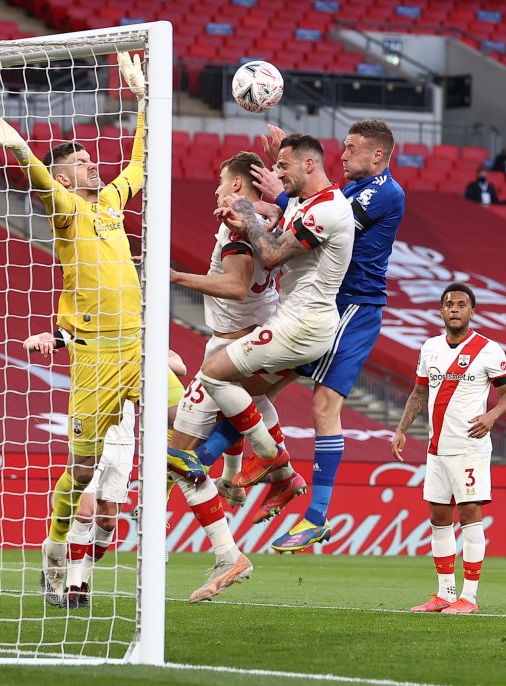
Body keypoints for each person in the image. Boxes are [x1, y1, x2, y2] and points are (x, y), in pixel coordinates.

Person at [0, 52, 147, 606]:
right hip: (95, 355)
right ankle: (55, 554)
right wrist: (22, 148)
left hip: (138, 346)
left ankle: (240, 481)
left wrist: (145, 99)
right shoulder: (67, 211)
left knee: (192, 404)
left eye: (93, 159)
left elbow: (140, 166)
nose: (94, 167)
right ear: (64, 173)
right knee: (79, 472)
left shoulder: (112, 205)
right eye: (80, 161)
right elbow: (42, 183)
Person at [246, 120, 406, 552]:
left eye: (351, 148)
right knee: (259, 384)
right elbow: (313, 204)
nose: (344, 154)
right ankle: (266, 472)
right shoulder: (346, 188)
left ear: (377, 155)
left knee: (323, 404)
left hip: (353, 306)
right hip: (320, 304)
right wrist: (290, 170)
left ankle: (316, 516)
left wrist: (281, 193)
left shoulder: (384, 192)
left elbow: (329, 224)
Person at [168, 151, 302, 599]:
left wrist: (175, 277)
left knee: (177, 457)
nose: (216, 189)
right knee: (234, 417)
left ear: (240, 187)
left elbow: (235, 285)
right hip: (256, 338)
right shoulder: (272, 219)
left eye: (222, 182)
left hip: (235, 345)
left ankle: (230, 548)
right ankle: (272, 479)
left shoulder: (238, 228)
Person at [195, 134, 354, 506]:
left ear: (310, 165)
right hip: (296, 322)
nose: (277, 176)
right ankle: (277, 476)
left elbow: (269, 255)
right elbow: (283, 221)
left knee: (212, 372)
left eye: (283, 167)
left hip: (301, 327)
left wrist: (249, 213)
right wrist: (263, 212)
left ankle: (270, 458)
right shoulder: (306, 202)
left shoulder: (326, 209)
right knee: (247, 394)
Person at [23, 330, 188, 608]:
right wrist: (39, 342)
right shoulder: (82, 333)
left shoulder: (138, 341)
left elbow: (180, 366)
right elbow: (44, 340)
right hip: (90, 432)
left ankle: (82, 580)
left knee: (108, 520)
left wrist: (147, 359)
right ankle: (73, 586)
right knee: (84, 512)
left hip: (123, 440)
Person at [390, 282, 506, 615]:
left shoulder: (489, 350)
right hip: (436, 450)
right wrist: (401, 430)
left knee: (470, 516)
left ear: (472, 311)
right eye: (449, 304)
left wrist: (491, 416)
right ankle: (445, 593)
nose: (455, 309)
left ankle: (469, 598)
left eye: (461, 304)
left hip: (470, 448)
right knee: (438, 517)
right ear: (441, 310)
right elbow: (418, 394)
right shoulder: (429, 348)